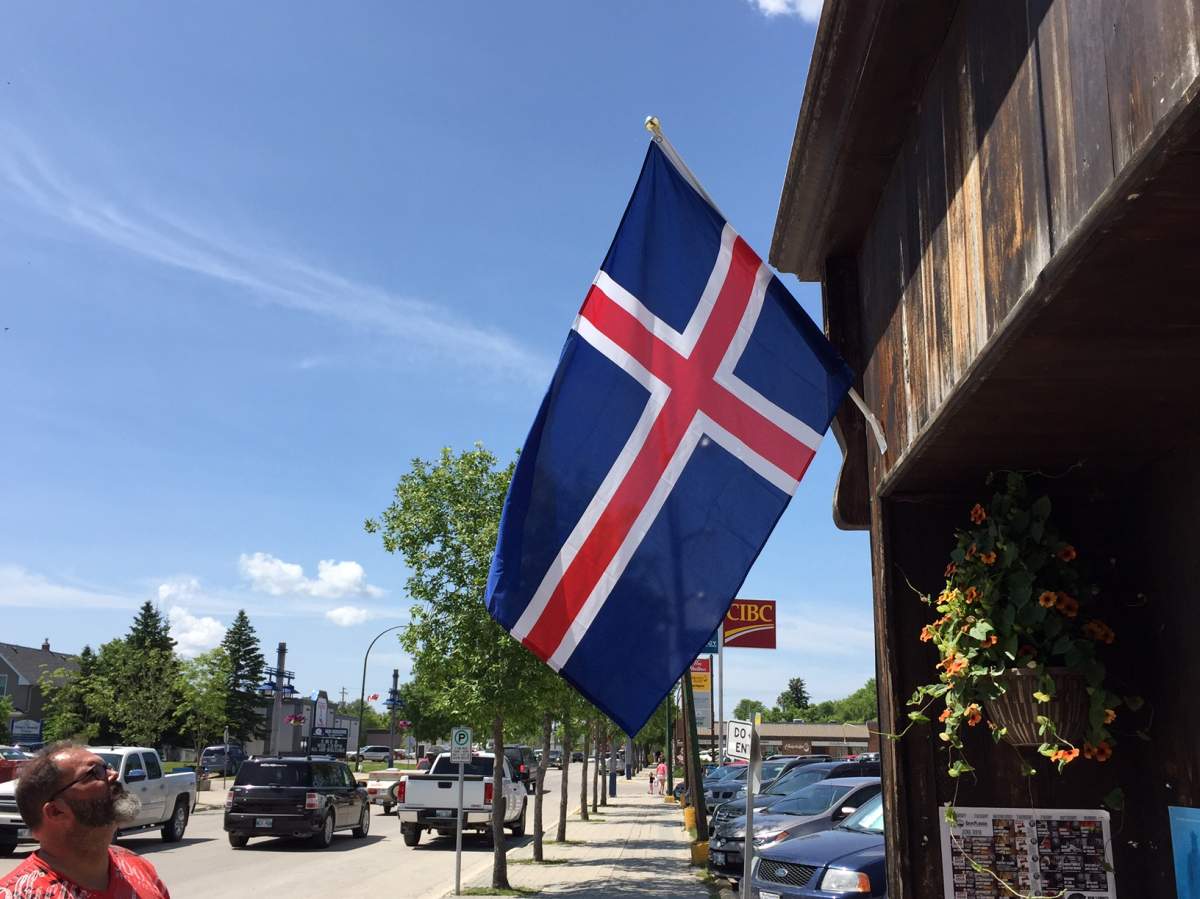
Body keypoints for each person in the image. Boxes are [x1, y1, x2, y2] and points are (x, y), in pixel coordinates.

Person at [0, 741, 169, 898]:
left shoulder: (137, 867)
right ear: (56, 811)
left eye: (106, 767)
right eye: (94, 773)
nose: (114, 775)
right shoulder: (18, 894)